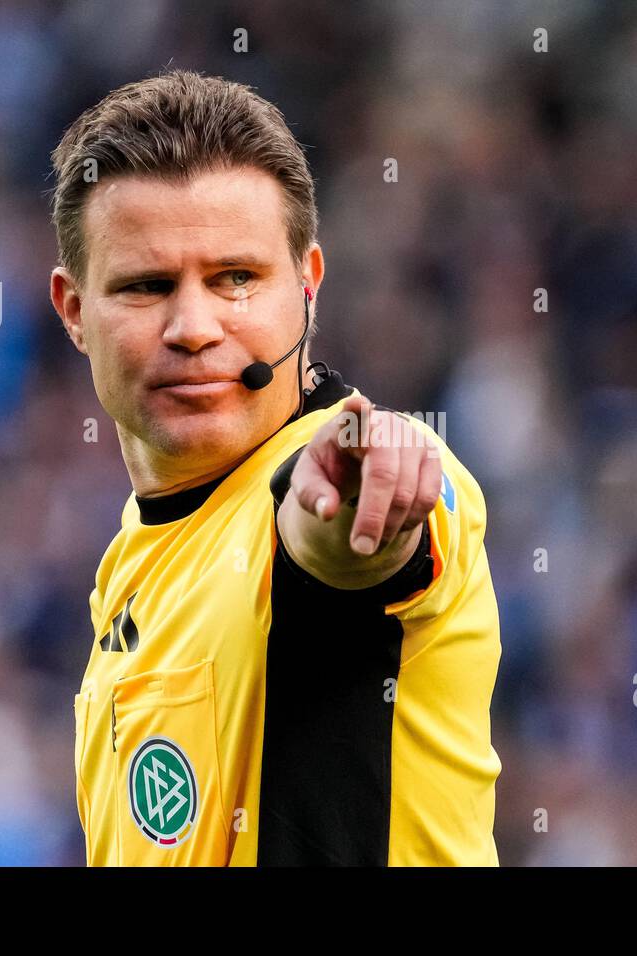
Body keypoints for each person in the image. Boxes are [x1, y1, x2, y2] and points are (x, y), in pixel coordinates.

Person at [49, 69, 501, 865]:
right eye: (148, 286)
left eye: (236, 280)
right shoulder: (134, 557)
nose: (193, 326)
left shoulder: (346, 477)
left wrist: (358, 502)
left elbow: (336, 546)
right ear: (75, 311)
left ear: (308, 287)